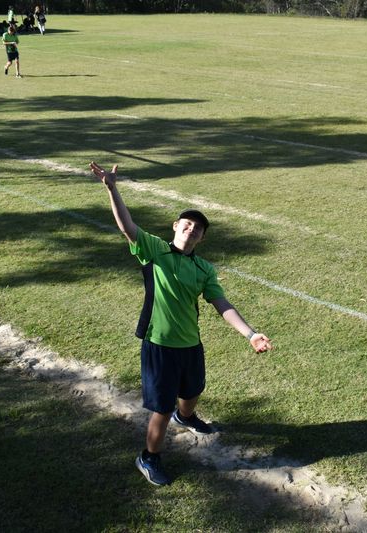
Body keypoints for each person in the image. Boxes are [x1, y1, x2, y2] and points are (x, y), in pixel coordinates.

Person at [89, 161, 273, 487]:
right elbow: (127, 226)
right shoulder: (155, 251)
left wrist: (250, 334)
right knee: (160, 408)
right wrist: (112, 189)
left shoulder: (204, 269)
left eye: (198, 228)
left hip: (190, 343)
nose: (192, 229)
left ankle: (185, 416)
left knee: (192, 391)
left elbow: (221, 304)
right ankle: (149, 457)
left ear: (202, 238)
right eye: (187, 224)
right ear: (175, 226)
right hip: (159, 344)